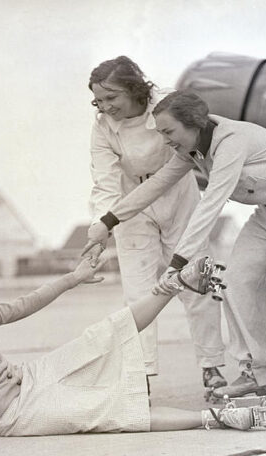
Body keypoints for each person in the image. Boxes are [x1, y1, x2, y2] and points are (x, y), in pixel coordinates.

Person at [0, 257, 266, 456]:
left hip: (28, 379)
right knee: (107, 411)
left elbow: (25, 304)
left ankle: (171, 285)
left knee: (99, 336)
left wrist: (72, 279)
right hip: (14, 415)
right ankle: (216, 419)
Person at [84, 91, 266, 407]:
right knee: (233, 281)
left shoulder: (230, 141)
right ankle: (254, 374)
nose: (165, 141)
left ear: (194, 124)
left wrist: (177, 263)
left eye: (168, 132)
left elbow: (211, 204)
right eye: (160, 133)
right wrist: (108, 221)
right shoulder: (193, 151)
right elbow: (153, 185)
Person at [86, 56, 226, 392]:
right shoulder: (102, 127)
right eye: (98, 100)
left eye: (111, 98)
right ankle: (141, 376)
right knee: (138, 294)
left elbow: (199, 141)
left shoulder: (167, 104)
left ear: (134, 89)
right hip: (131, 207)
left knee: (197, 282)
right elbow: (105, 181)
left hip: (179, 197)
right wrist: (99, 225)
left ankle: (213, 368)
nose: (105, 107)